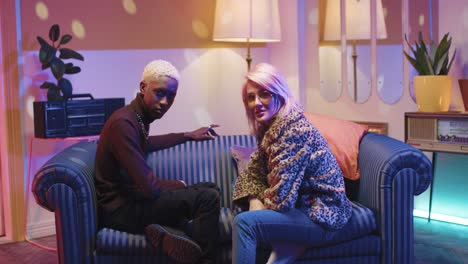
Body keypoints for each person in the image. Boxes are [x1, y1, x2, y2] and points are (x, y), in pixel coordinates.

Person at [94, 59, 221, 264]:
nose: (165, 102)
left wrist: (187, 135)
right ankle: (203, 260)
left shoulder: (135, 118)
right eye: (159, 93)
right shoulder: (123, 123)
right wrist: (180, 185)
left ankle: (169, 233)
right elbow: (150, 189)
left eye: (171, 96)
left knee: (211, 188)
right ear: (143, 87)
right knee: (208, 198)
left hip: (131, 202)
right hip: (120, 211)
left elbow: (147, 143)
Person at [232, 63, 352, 263]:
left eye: (264, 94)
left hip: (320, 215)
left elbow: (281, 200)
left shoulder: (293, 131)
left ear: (279, 94)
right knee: (243, 197)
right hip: (299, 206)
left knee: (245, 223)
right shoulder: (270, 128)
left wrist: (258, 211)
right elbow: (252, 172)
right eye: (251, 97)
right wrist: (255, 199)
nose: (257, 103)